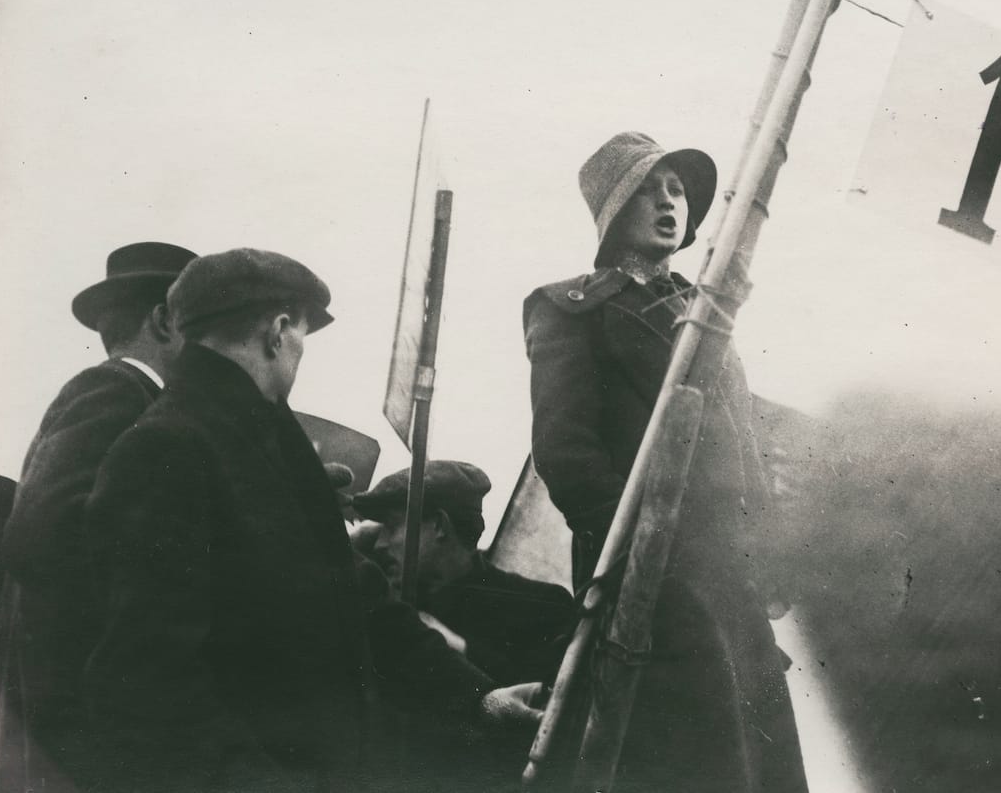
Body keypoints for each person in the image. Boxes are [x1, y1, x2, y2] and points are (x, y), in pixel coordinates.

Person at [522, 131, 808, 792]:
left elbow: (742, 445)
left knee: (759, 766)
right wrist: (640, 555)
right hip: (650, 586)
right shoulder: (570, 309)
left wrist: (769, 556)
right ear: (614, 212)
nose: (668, 201)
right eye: (647, 189)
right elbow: (565, 451)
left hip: (728, 582)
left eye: (676, 188)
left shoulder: (705, 316)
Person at [81, 248, 369, 793]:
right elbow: (150, 684)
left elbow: (348, 596)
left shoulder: (254, 438)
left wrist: (480, 698)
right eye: (303, 334)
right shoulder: (172, 447)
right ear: (278, 331)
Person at [0, 241, 196, 793]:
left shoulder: (130, 397)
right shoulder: (116, 390)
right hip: (74, 718)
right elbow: (42, 536)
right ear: (163, 320)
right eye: (204, 329)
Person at [351, 462, 574, 686]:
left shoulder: (541, 606)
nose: (380, 543)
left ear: (439, 525)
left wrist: (457, 647)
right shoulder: (382, 600)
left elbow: (544, 699)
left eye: (391, 527)